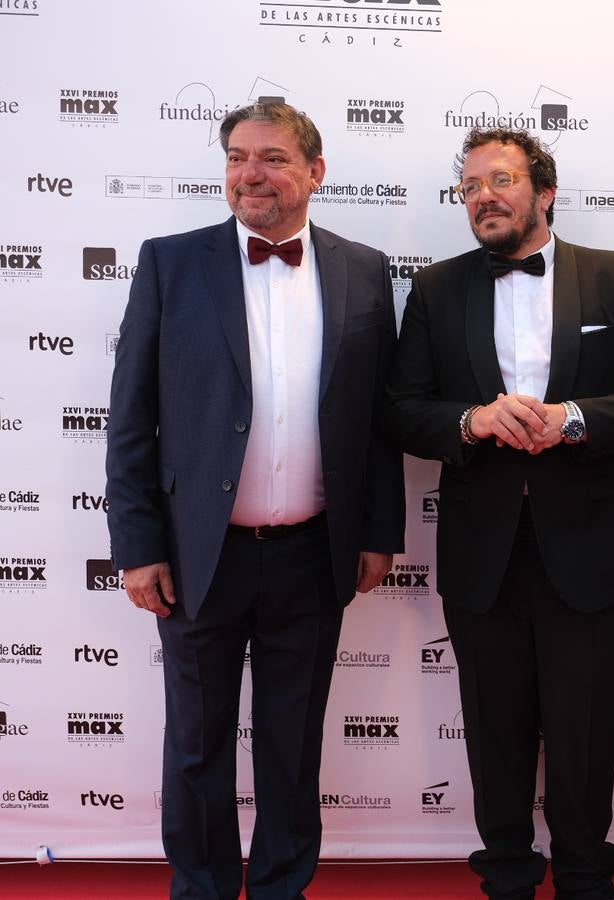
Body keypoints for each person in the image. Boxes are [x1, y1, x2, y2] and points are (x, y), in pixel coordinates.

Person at [106, 101, 405, 899]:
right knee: (196, 745)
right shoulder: (171, 262)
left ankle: (280, 887)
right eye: (237, 156)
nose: (250, 173)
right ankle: (201, 888)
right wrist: (138, 546)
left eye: (272, 157)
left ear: (315, 171)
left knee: (291, 743)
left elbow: (376, 419)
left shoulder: (363, 269)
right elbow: (132, 417)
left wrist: (378, 531)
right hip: (199, 554)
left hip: (314, 553)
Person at [383, 127, 614, 900]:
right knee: (494, 733)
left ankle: (586, 879)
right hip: (482, 557)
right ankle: (508, 879)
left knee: (587, 733)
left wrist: (573, 419)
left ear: (544, 192)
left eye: (503, 180)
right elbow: (401, 411)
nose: (484, 195)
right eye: (471, 184)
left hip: (588, 549)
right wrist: (471, 422)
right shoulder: (436, 287)